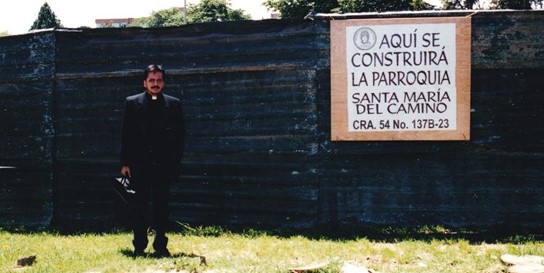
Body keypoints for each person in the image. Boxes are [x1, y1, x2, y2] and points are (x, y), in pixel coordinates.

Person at [120, 64, 184, 257]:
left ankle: (160, 246)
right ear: (145, 82)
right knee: (139, 206)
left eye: (158, 80)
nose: (155, 84)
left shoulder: (173, 104)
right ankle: (139, 245)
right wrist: (125, 163)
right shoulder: (132, 102)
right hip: (140, 165)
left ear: (163, 82)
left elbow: (180, 137)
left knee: (161, 207)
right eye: (151, 80)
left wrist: (175, 163)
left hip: (163, 166)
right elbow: (126, 134)